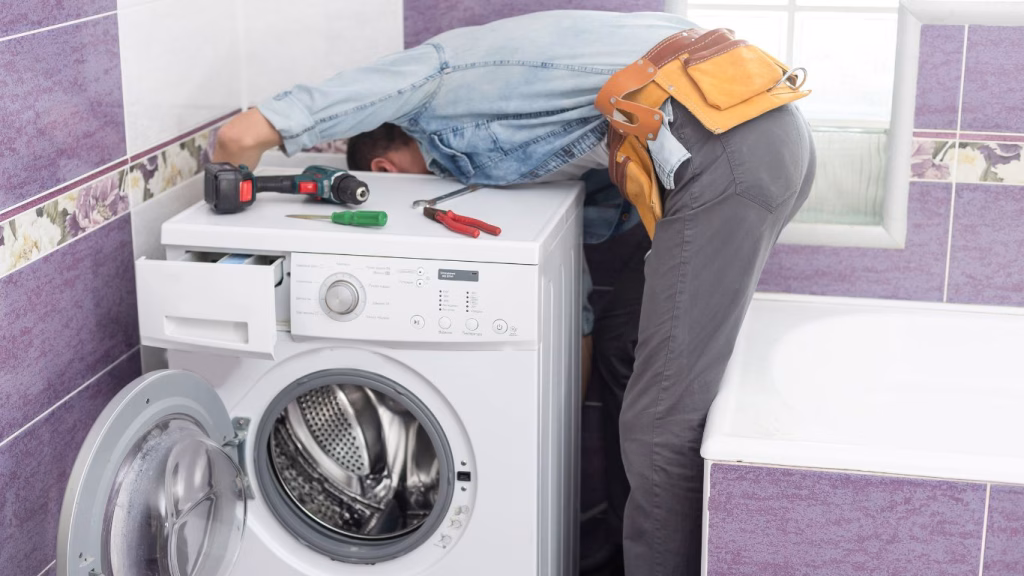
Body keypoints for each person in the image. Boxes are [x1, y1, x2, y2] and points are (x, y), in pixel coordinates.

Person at [214, 10, 816, 575]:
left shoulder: (442, 83)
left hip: (724, 150)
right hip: (758, 131)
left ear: (385, 171)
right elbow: (572, 292)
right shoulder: (507, 156)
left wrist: (238, 150)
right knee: (620, 345)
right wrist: (549, 421)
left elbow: (298, 114)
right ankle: (610, 545)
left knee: (661, 422)